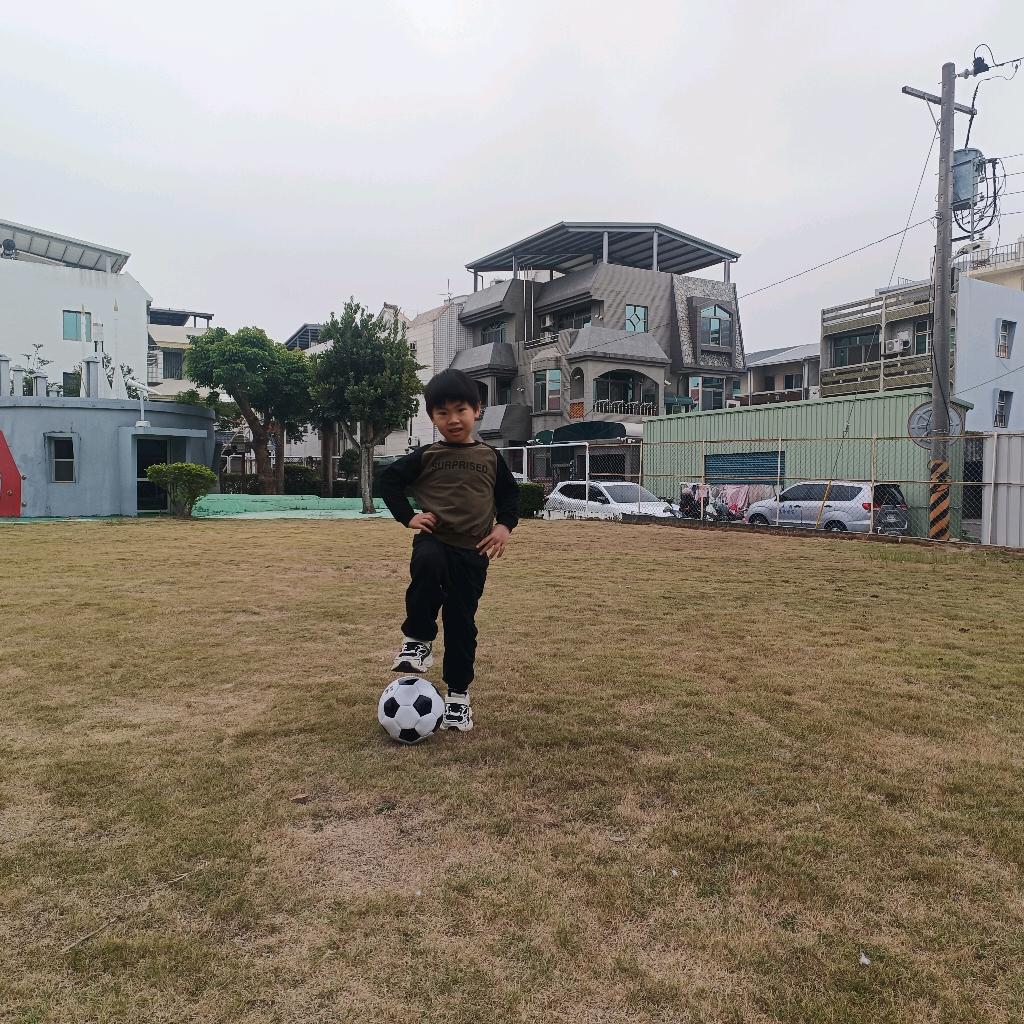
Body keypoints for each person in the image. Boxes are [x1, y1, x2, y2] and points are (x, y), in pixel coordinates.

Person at [379, 368, 520, 732]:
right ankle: (418, 640)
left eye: (461, 410)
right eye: (442, 413)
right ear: (432, 417)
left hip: (472, 552)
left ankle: (458, 697)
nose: (453, 419)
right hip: (435, 538)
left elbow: (510, 495)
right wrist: (408, 516)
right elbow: (389, 480)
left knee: (461, 624)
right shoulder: (427, 455)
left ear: (477, 410)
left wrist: (504, 526)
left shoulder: (490, 457)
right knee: (426, 563)